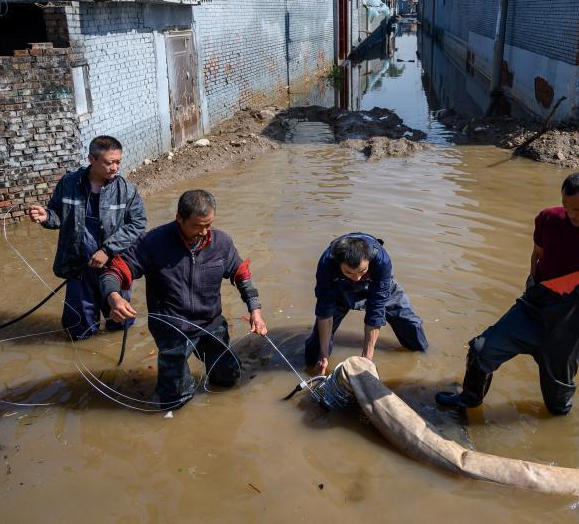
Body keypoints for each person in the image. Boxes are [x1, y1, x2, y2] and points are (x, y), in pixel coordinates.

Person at [436, 172, 579, 415]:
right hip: (534, 308)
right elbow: (537, 254)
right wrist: (533, 285)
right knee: (482, 350)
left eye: (576, 209)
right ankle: (469, 400)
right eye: (566, 207)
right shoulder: (549, 218)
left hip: (572, 325)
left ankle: (556, 433)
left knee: (556, 402)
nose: (570, 215)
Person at [102, 189, 267, 410]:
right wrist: (114, 297)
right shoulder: (154, 242)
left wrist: (255, 309)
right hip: (172, 328)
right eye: (197, 226)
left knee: (228, 378)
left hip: (211, 324)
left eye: (208, 225)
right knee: (173, 398)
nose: (204, 232)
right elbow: (114, 271)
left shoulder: (222, 243)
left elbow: (241, 274)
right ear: (179, 218)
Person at [27, 135, 146, 340]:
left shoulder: (126, 190)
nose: (115, 167)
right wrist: (46, 216)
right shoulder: (69, 183)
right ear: (91, 159)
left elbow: (138, 224)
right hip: (79, 265)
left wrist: (108, 250)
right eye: (109, 163)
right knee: (79, 329)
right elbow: (57, 215)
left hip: (113, 265)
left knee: (120, 322)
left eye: (118, 162)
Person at [305, 232, 428, 375]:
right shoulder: (327, 263)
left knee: (411, 325)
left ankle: (424, 356)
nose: (357, 278)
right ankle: (311, 369)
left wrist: (367, 357)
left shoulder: (381, 260)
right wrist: (323, 354)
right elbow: (325, 310)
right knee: (316, 349)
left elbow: (376, 308)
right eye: (350, 272)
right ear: (339, 264)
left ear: (368, 259)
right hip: (340, 288)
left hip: (376, 285)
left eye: (362, 271)